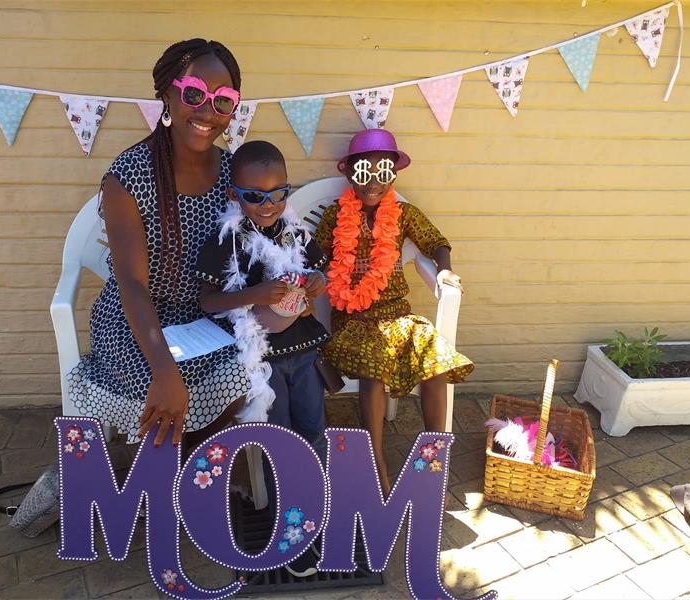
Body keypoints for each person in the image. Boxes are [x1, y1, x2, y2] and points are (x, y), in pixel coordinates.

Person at [68, 39, 250, 449]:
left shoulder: (233, 172)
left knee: (249, 369)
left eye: (223, 100)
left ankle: (196, 471)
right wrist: (165, 370)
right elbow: (132, 284)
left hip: (205, 315)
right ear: (168, 93)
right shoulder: (129, 175)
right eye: (194, 94)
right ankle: (173, 473)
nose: (208, 111)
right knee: (162, 384)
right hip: (137, 321)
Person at [314, 129, 474, 496]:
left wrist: (444, 270)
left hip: (397, 315)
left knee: (434, 359)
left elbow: (437, 242)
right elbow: (314, 255)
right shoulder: (336, 215)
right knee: (373, 368)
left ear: (394, 175)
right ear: (350, 173)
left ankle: (433, 458)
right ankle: (376, 463)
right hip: (353, 321)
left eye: (383, 172)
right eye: (364, 173)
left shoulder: (403, 214)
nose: (373, 182)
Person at [194, 140, 329, 577]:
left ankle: (317, 508)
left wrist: (316, 282)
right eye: (255, 196)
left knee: (314, 431)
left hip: (303, 352)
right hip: (262, 361)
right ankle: (288, 528)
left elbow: (319, 269)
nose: (269, 205)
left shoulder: (294, 230)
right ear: (234, 194)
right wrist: (255, 294)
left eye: (278, 194)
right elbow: (208, 300)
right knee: (281, 441)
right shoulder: (226, 240)